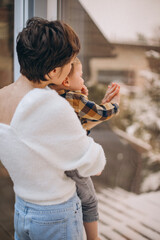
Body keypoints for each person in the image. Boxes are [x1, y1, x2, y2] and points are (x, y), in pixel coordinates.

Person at [0, 17, 107, 240]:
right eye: (69, 65)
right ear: (52, 73)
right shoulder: (49, 105)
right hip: (55, 216)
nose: (71, 69)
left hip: (22, 208)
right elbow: (92, 161)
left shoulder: (2, 96)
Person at [50, 57, 120, 240]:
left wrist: (83, 97)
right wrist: (115, 105)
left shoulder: (51, 96)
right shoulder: (73, 98)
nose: (83, 81)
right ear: (66, 80)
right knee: (89, 200)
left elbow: (81, 124)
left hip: (55, 159)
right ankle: (93, 237)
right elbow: (100, 112)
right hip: (72, 159)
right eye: (81, 76)